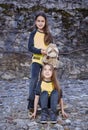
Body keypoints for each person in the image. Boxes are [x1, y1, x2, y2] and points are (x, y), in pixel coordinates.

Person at [27, 11, 53, 111]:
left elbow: (52, 47)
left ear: (45, 22)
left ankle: (45, 102)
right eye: (38, 21)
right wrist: (40, 51)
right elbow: (30, 48)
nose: (40, 23)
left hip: (47, 62)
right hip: (36, 60)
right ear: (35, 22)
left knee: (45, 81)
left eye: (42, 21)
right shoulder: (33, 34)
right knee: (33, 80)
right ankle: (31, 103)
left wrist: (51, 54)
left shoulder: (49, 34)